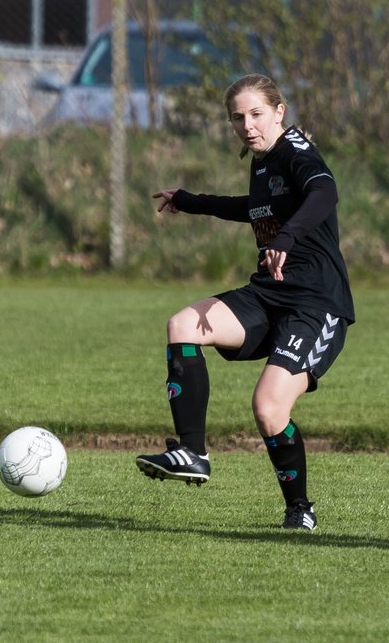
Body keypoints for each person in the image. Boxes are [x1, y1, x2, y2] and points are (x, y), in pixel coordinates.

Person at [137, 73, 355, 531]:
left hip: (316, 305)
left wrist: (289, 238)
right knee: (183, 325)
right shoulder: (262, 161)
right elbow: (254, 208)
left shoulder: (295, 152)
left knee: (269, 408)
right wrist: (190, 202)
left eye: (256, 114)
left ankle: (300, 510)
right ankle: (192, 452)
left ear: (279, 111)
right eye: (238, 117)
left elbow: (324, 191)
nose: (247, 124)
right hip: (267, 293)